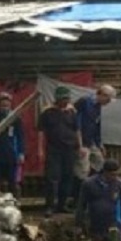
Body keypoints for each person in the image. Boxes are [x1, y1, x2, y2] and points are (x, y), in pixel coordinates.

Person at [38, 86, 80, 216]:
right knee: (52, 177)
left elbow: (77, 130)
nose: (66, 101)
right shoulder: (47, 112)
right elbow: (40, 132)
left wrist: (80, 145)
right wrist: (40, 149)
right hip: (54, 149)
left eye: (67, 98)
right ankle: (50, 206)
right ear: (57, 99)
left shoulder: (72, 112)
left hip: (70, 149)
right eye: (63, 99)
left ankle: (62, 205)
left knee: (67, 177)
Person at [74, 84, 117, 188]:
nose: (107, 103)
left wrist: (99, 144)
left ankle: (95, 188)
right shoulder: (85, 101)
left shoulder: (98, 107)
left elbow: (97, 126)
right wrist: (79, 146)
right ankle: (80, 196)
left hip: (91, 141)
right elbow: (76, 124)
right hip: (81, 141)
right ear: (103, 95)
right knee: (83, 170)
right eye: (107, 100)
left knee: (100, 163)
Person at [0, 92, 25, 197]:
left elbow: (20, 136)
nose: (5, 108)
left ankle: (15, 202)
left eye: (7, 106)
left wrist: (21, 153)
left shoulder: (15, 118)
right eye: (3, 105)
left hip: (11, 154)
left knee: (13, 181)